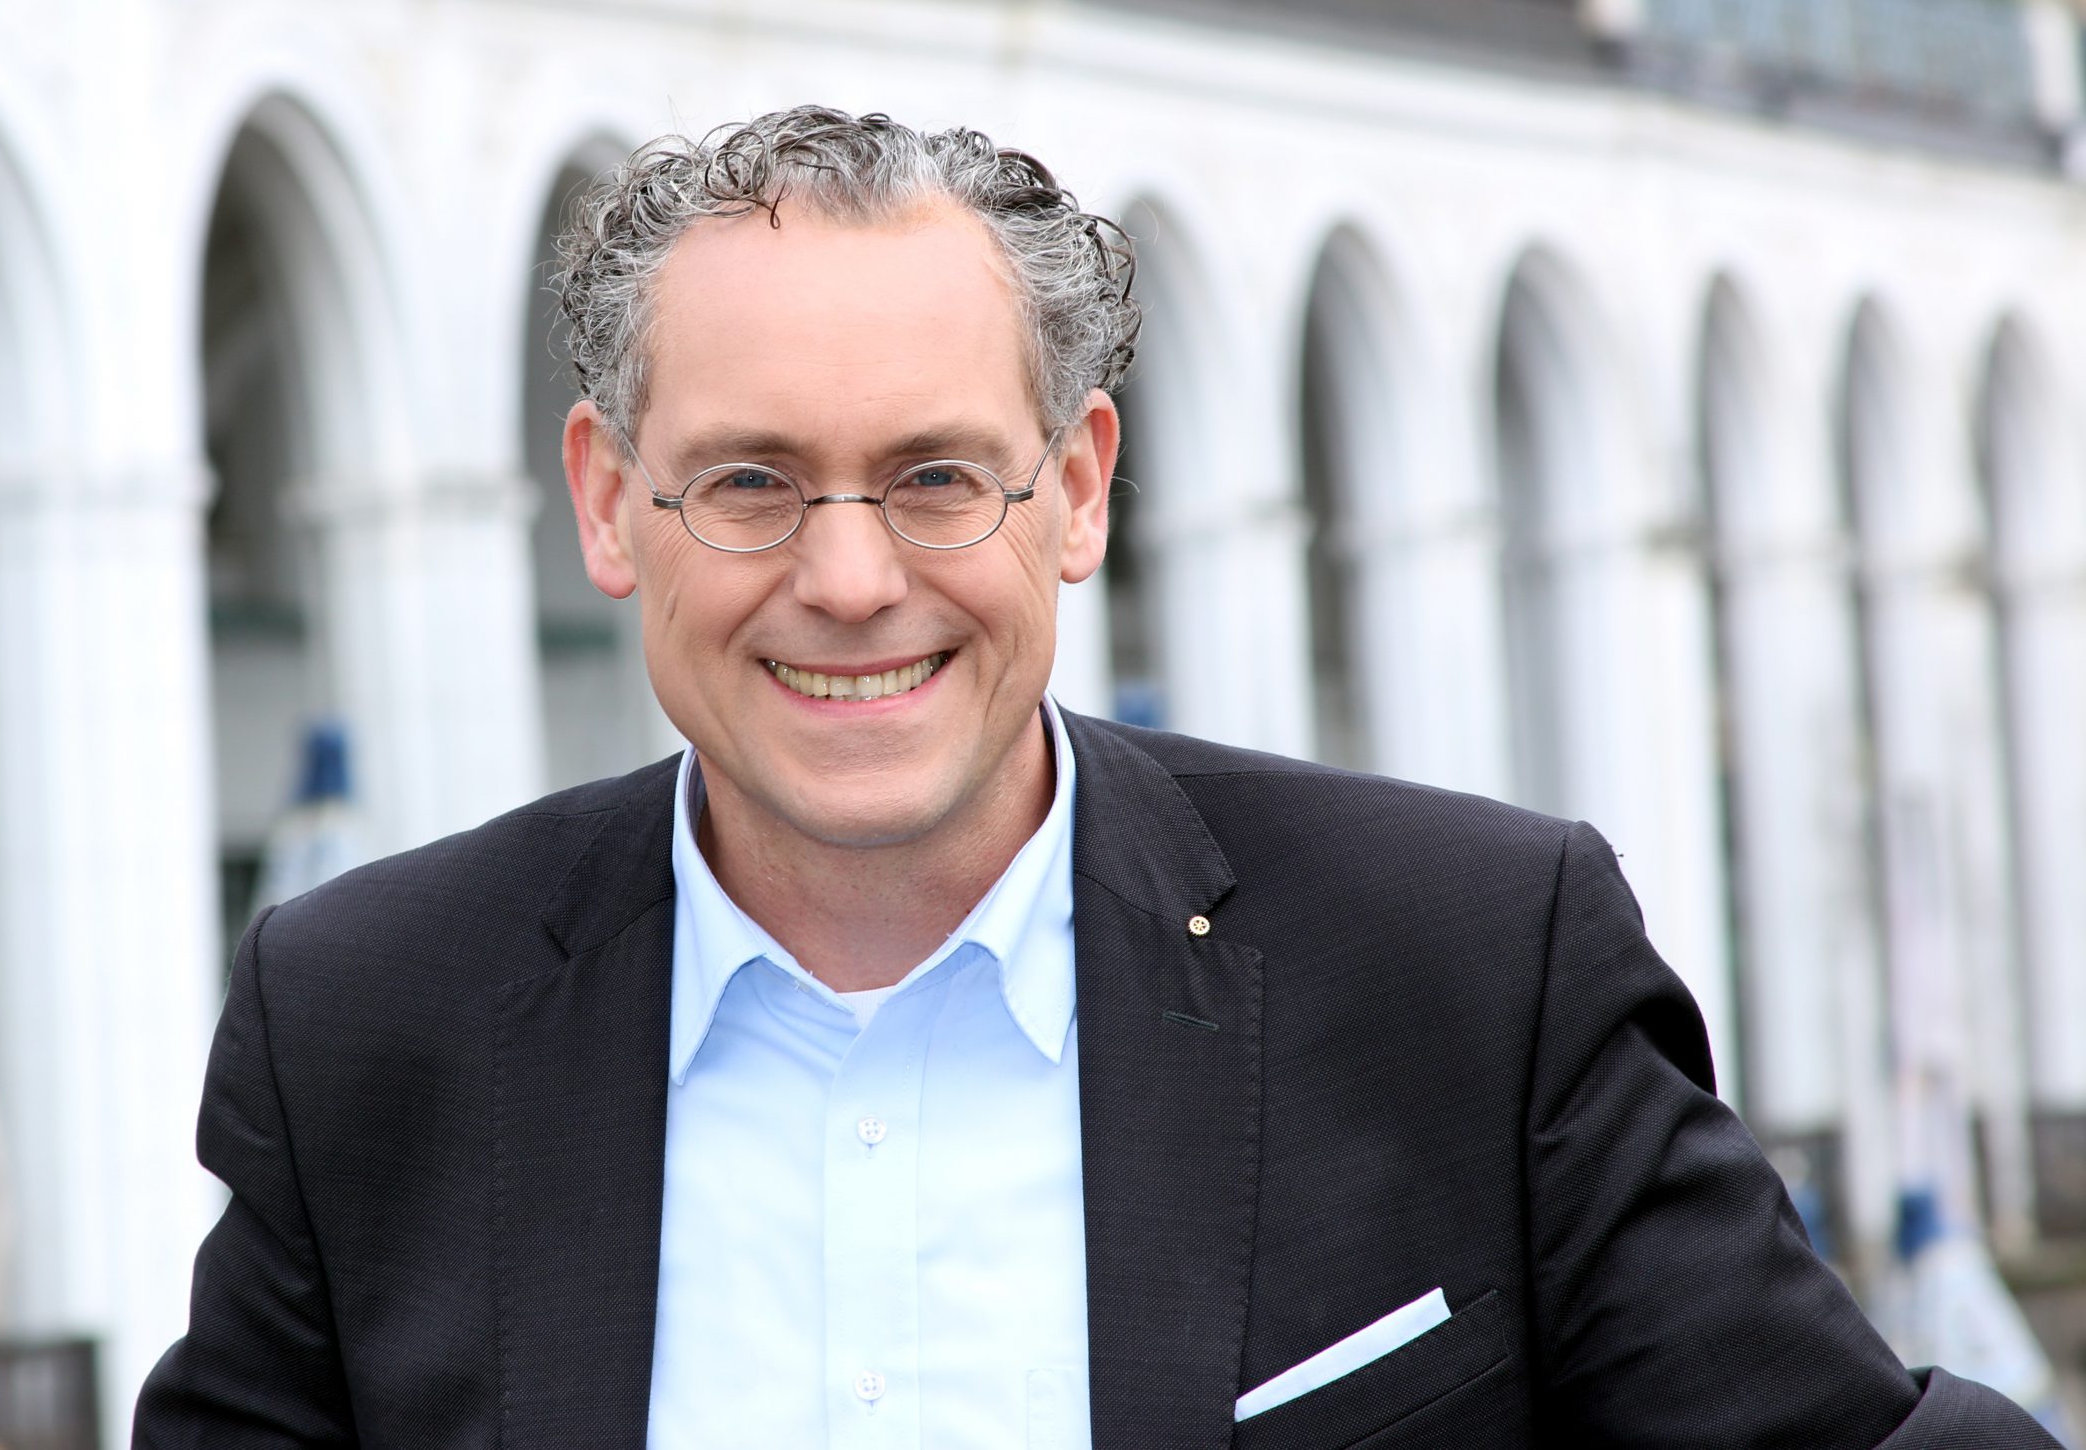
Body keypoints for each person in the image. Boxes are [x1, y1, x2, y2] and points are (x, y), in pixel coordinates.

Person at [133, 106, 2056, 1447]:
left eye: (936, 476)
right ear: (605, 502)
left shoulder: (1472, 972)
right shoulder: (365, 1026)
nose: (850, 578)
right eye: (750, 481)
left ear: (1076, 491)